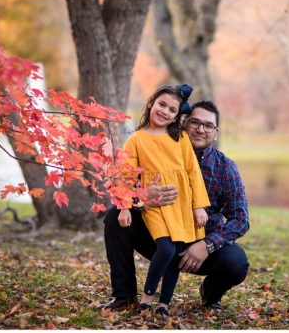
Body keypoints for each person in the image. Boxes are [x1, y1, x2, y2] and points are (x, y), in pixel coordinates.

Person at [99, 99, 250, 314]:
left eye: (208, 125)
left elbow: (240, 220)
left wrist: (207, 245)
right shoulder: (152, 148)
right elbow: (124, 184)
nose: (200, 129)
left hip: (199, 247)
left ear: (215, 132)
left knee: (236, 263)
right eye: (194, 122)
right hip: (160, 236)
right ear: (183, 123)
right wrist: (142, 197)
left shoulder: (225, 168)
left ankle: (210, 293)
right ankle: (124, 295)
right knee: (115, 217)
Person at [113, 84, 210, 318]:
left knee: (176, 252)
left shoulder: (181, 137)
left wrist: (198, 206)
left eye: (172, 110)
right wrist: (124, 207)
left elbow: (192, 172)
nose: (165, 112)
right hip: (155, 204)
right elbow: (126, 175)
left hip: (182, 203)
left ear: (177, 116)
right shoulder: (136, 139)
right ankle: (147, 297)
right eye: (162, 105)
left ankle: (164, 303)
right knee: (165, 248)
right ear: (151, 103)